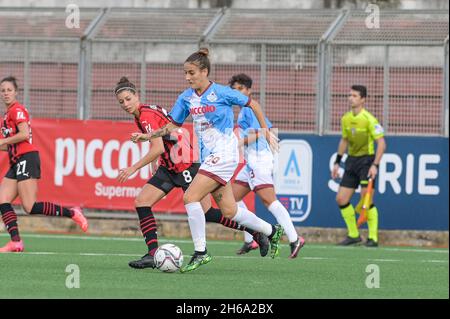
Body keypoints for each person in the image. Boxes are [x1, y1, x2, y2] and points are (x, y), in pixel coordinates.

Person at [131, 48, 284, 273]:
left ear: (204, 71)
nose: (188, 77)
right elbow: (173, 125)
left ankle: (201, 252)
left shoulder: (222, 92)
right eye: (185, 73)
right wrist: (149, 135)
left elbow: (253, 104)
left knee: (190, 197)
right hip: (209, 158)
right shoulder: (186, 98)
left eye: (191, 73)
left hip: (225, 154)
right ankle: (271, 231)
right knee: (230, 211)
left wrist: (266, 131)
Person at [0, 76, 88, 253]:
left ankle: (73, 212)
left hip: (27, 157)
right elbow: (8, 144)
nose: (6, 93)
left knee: (30, 206)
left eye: (9, 90)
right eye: (3, 90)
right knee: (2, 200)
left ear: (16, 92)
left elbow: (24, 134)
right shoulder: (5, 116)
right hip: (17, 160)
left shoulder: (17, 110)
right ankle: (16, 242)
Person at [229, 73, 305, 258]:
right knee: (231, 199)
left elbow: (263, 132)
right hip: (251, 163)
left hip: (258, 160)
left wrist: (239, 142)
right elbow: (268, 128)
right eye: (234, 90)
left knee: (270, 202)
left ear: (249, 91)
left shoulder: (248, 109)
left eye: (240, 89)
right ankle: (251, 240)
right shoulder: (246, 109)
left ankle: (295, 239)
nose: (237, 93)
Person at [331, 85, 386, 247]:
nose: (351, 98)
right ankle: (353, 235)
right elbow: (344, 140)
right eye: (350, 95)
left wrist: (375, 165)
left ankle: (373, 238)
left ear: (363, 99)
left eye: (355, 96)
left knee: (366, 200)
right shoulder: (346, 118)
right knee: (341, 199)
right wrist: (337, 162)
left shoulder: (369, 119)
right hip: (351, 161)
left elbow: (381, 144)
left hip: (366, 162)